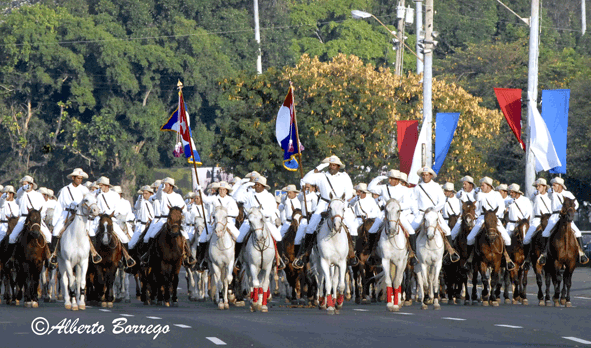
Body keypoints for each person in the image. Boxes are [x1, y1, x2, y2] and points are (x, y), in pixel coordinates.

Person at [293, 155, 358, 268]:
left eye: (334, 165)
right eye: (330, 165)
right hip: (324, 204)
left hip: (340, 204)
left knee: (352, 227)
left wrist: (338, 201)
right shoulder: (321, 176)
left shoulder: (344, 176)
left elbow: (348, 192)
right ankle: (306, 254)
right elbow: (305, 179)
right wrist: (320, 166)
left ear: (338, 166)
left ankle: (352, 255)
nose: (332, 167)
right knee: (310, 227)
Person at [141, 177, 195, 265]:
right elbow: (157, 196)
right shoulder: (161, 194)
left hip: (175, 221)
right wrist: (161, 187)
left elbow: (184, 209)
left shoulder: (177, 196)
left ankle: (189, 256)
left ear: (171, 186)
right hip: (163, 219)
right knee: (150, 236)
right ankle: (148, 255)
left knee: (185, 235)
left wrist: (181, 217)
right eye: (163, 185)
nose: (164, 187)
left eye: (166, 185)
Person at [411, 167, 459, 264]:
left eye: (427, 175)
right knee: (411, 230)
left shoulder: (436, 186)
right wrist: (416, 212)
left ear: (431, 176)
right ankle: (412, 254)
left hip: (434, 213)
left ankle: (450, 252)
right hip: (421, 213)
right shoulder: (417, 187)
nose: (425, 177)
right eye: (423, 175)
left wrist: (433, 211)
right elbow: (413, 201)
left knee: (447, 230)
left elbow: (441, 201)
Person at [464, 177, 514, 270]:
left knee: (507, 239)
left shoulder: (496, 195)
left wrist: (493, 216)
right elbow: (476, 200)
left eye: (483, 185)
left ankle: (508, 260)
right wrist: (477, 193)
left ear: (489, 186)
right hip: (482, 218)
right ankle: (470, 260)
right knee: (469, 238)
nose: (481, 187)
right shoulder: (480, 194)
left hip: (494, 218)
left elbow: (501, 207)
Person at [367, 169, 415, 264]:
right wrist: (380, 177)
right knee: (372, 230)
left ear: (397, 180)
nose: (390, 181)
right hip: (385, 213)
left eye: (393, 179)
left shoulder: (404, 189)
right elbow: (370, 188)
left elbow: (407, 204)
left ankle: (413, 254)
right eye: (389, 178)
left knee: (411, 230)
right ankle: (371, 253)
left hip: (398, 214)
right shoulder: (384, 187)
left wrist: (396, 207)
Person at [537, 177, 589, 265]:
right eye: (552, 185)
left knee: (578, 232)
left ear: (560, 186)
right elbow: (548, 194)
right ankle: (544, 254)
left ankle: (581, 254)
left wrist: (571, 210)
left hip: (566, 216)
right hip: (555, 216)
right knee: (545, 233)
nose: (553, 187)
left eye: (555, 185)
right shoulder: (551, 193)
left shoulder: (568, 194)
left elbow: (576, 204)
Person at [235, 176, 284, 266]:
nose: (256, 186)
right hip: (250, 222)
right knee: (239, 238)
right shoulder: (249, 194)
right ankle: (237, 259)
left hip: (265, 221)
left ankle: (281, 259)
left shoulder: (269, 196)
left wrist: (259, 213)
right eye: (255, 184)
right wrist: (247, 184)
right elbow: (236, 197)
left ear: (263, 186)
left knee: (278, 237)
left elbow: (271, 210)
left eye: (258, 185)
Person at [196, 181, 240, 270]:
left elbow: (236, 212)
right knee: (202, 239)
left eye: (223, 190)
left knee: (239, 238)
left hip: (228, 223)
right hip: (214, 223)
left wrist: (224, 213)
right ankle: (201, 261)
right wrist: (200, 190)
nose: (222, 191)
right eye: (220, 189)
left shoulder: (231, 200)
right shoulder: (214, 198)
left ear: (227, 191)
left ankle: (238, 260)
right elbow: (205, 200)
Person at [51, 168, 90, 264]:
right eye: (78, 178)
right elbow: (59, 205)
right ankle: (54, 254)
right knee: (56, 232)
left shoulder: (85, 190)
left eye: (81, 178)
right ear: (73, 178)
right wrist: (54, 221)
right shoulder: (65, 190)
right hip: (67, 214)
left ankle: (93, 254)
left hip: (81, 215)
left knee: (91, 232)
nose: (80, 180)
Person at [9, 175, 52, 259]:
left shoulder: (38, 195)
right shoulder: (21, 194)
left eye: (28, 184)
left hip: (36, 219)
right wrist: (23, 188)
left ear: (32, 185)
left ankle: (49, 259)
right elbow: (19, 193)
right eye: (23, 184)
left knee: (49, 236)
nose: (25, 185)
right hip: (24, 218)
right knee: (12, 237)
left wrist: (39, 218)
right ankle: (12, 258)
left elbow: (44, 208)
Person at [522, 178, 552, 269]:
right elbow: (532, 198)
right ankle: (527, 260)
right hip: (537, 219)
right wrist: (536, 193)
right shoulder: (535, 195)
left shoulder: (550, 195)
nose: (537, 188)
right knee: (526, 239)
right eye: (536, 186)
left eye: (539, 186)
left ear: (544, 187)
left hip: (549, 218)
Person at [129, 185, 154, 250]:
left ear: (151, 194)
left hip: (149, 225)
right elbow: (137, 206)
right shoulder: (142, 202)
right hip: (141, 226)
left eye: (146, 193)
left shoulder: (153, 203)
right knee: (130, 245)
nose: (144, 195)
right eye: (143, 193)